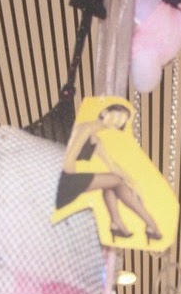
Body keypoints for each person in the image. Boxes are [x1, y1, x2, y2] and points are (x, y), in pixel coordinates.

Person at [55, 104, 163, 243]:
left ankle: (116, 224)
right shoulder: (86, 128)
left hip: (66, 180)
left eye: (122, 120)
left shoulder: (95, 139)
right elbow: (67, 160)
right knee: (116, 181)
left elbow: (112, 166)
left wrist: (134, 183)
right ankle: (152, 225)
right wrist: (70, 182)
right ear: (105, 112)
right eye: (117, 115)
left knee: (112, 183)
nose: (118, 121)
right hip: (61, 182)